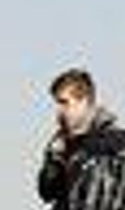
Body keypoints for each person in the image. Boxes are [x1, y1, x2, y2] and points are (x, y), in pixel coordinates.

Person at [37, 68, 117, 203]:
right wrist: (56, 162)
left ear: (84, 101)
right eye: (58, 104)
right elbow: (47, 193)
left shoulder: (113, 141)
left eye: (64, 103)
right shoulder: (59, 145)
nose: (60, 111)